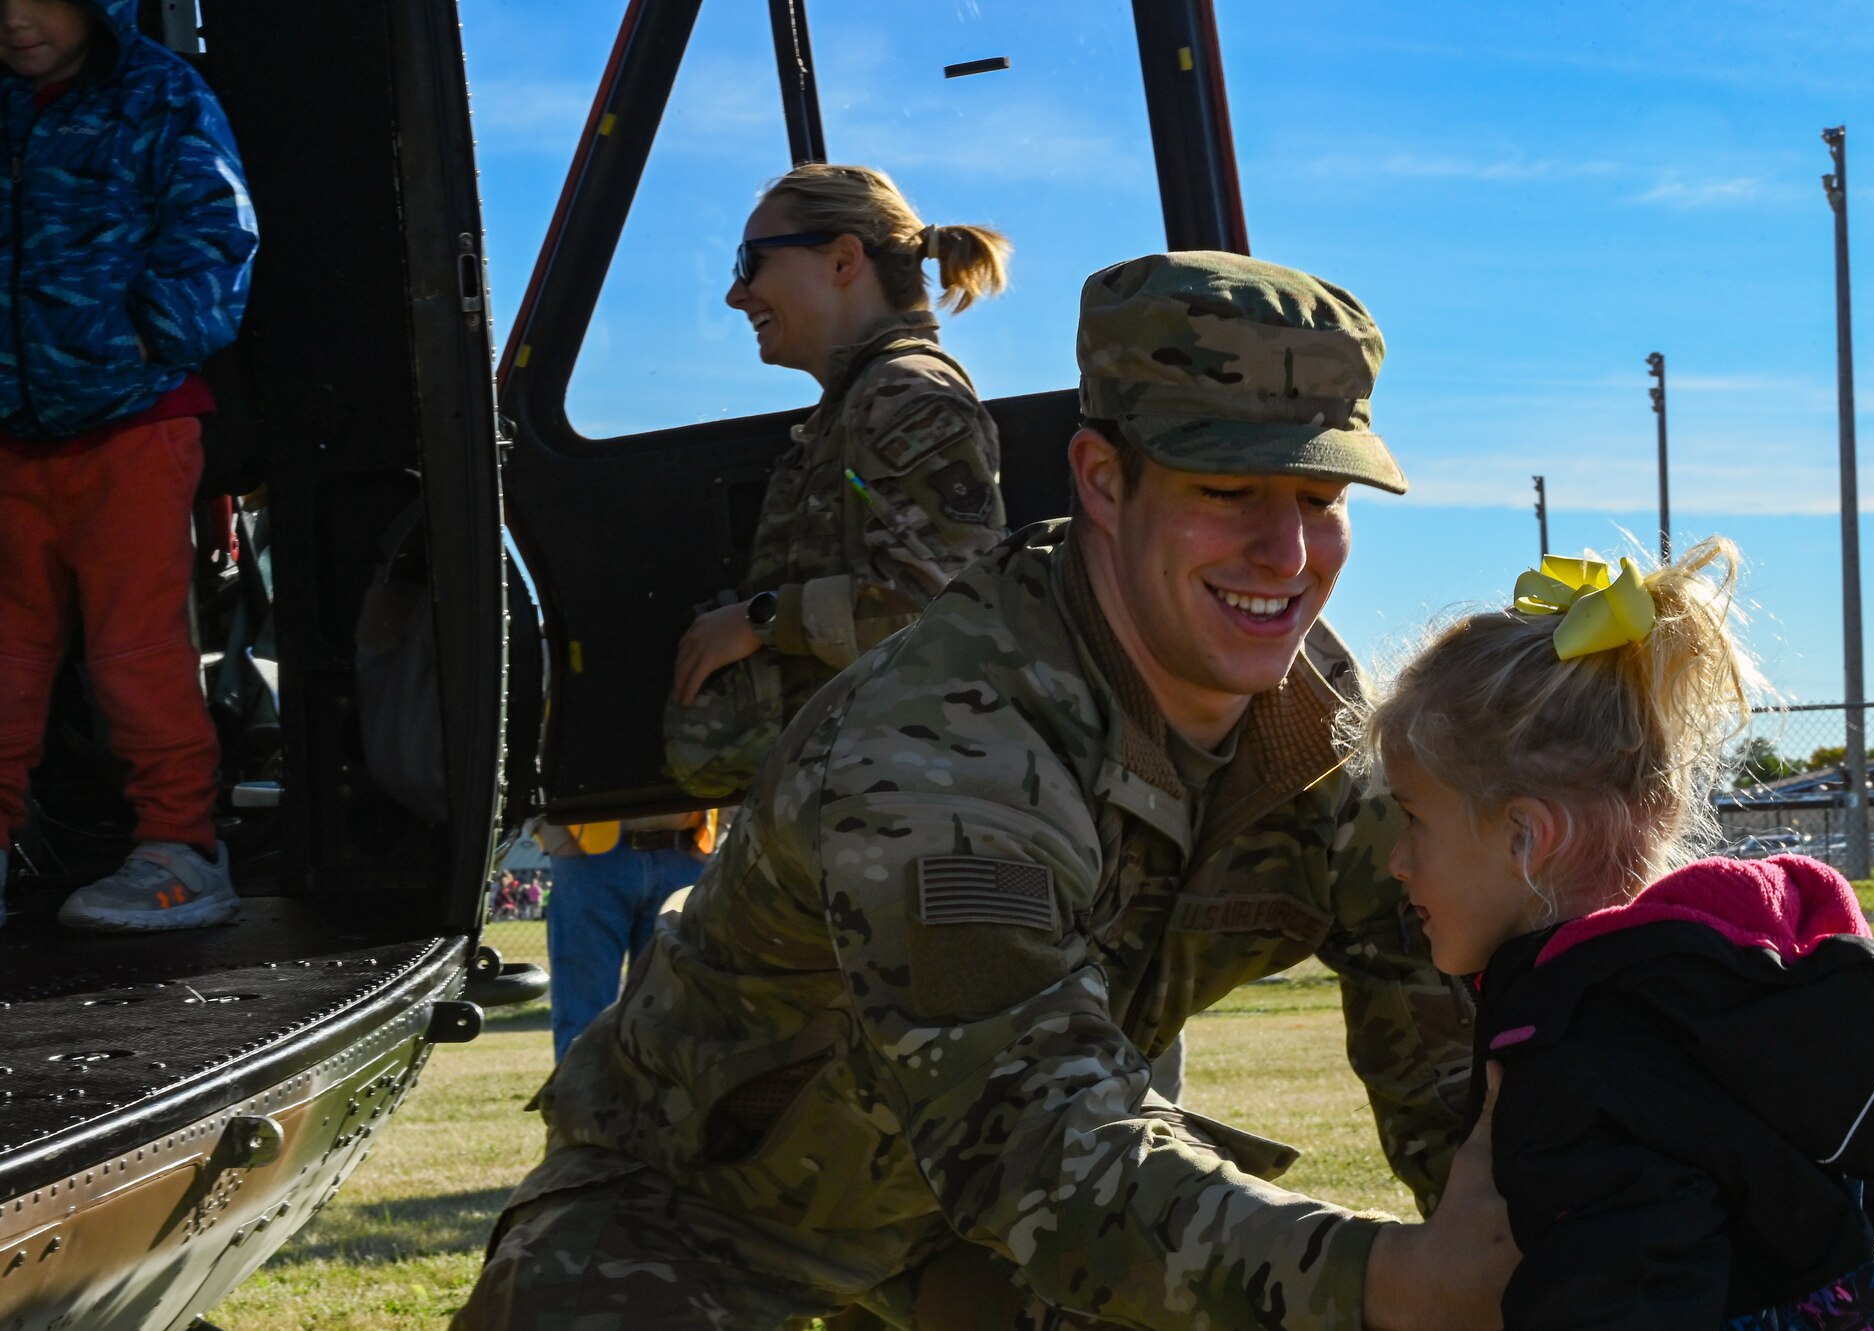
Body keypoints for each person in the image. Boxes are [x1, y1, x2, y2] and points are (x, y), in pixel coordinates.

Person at [454, 252, 1514, 1331]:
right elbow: (1029, 1142)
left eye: (1320, 497)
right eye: (1226, 491)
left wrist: (1556, 1242)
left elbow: (1448, 1049)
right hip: (706, 1214)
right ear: (1101, 479)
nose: (1284, 551)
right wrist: (1391, 1283)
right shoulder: (945, 744)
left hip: (975, 1241)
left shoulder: (1317, 729)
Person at [1365, 541, 1874, 1328]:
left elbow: (1620, 1294)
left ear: (1525, 838)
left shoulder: (1582, 1051)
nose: (1396, 860)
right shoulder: (1779, 989)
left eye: (1413, 819)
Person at [0, 0, 258, 931]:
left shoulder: (160, 92)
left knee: (135, 649)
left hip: (134, 421)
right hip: (10, 430)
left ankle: (182, 851)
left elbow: (215, 229)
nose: (15, 19)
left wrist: (143, 341)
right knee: (6, 658)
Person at [662, 162, 1012, 799]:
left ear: (844, 260)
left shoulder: (908, 397)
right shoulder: (860, 403)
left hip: (902, 802)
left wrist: (762, 620)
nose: (736, 295)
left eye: (750, 263)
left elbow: (944, 613)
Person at [535, 815, 710, 1062]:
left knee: (675, 1020)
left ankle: (663, 1102)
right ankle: (582, 1099)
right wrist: (556, 837)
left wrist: (721, 830)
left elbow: (744, 776)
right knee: (583, 1017)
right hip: (589, 860)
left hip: (685, 856)